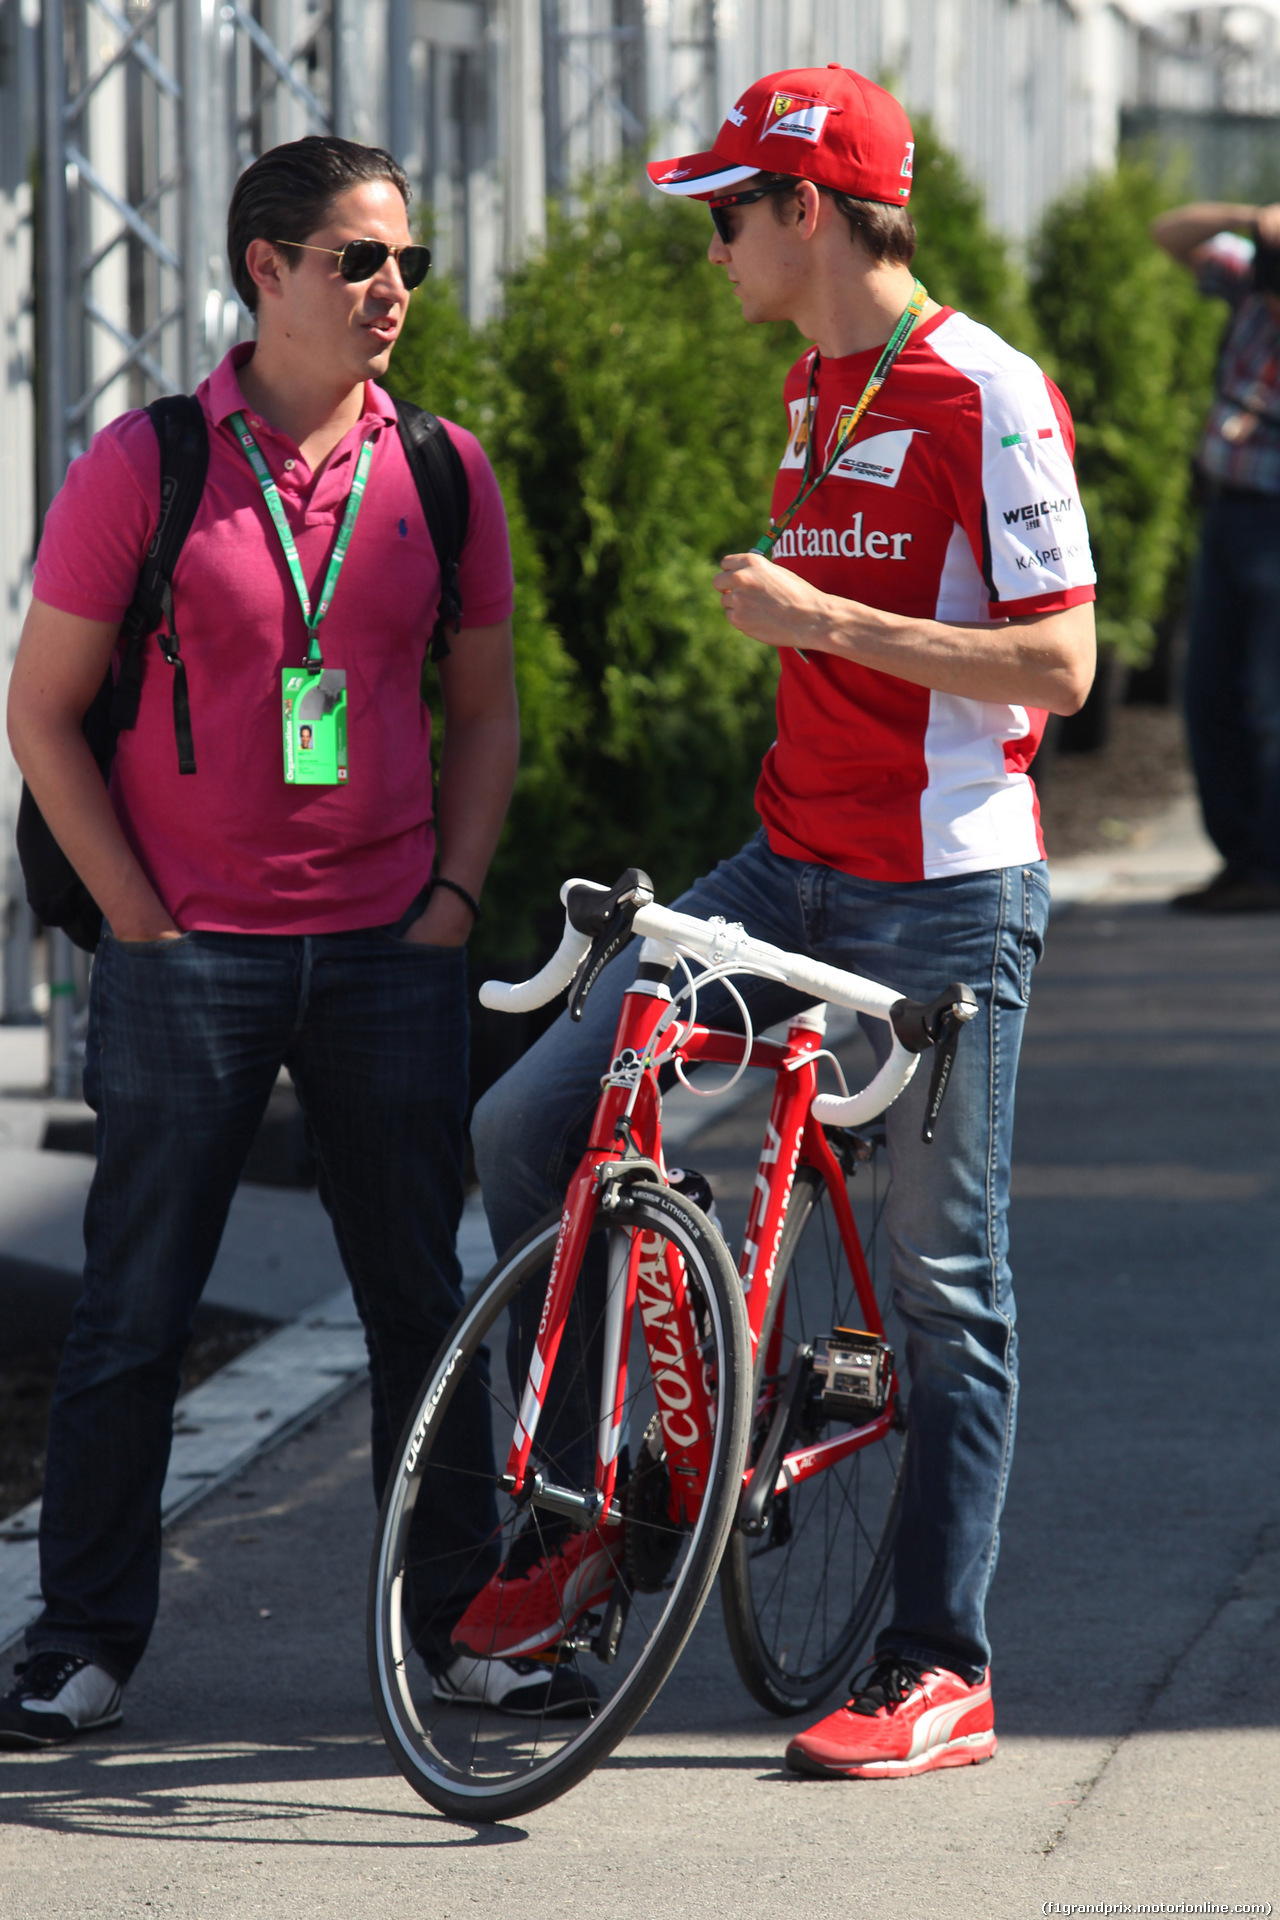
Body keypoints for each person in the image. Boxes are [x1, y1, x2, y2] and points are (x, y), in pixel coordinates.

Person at [468, 65, 1096, 1779]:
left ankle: (937, 1665)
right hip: (777, 869)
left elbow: (1063, 664)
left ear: (806, 208)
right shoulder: (813, 386)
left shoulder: (985, 391)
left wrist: (822, 614)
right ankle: (622, 1512)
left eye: (727, 212)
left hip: (944, 893)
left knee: (945, 1283)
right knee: (530, 1128)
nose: (712, 244)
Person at [0, 134, 578, 1749]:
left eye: (408, 263)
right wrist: (133, 915)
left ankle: (457, 1625)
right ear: (264, 269)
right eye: (359, 260)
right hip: (189, 957)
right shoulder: (149, 466)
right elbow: (40, 717)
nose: (394, 290)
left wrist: (454, 897)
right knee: (135, 1309)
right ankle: (82, 1642)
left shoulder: (445, 471)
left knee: (424, 1299)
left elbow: (483, 710)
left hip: (390, 950)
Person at [1152, 201, 1280, 913]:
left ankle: (1272, 864)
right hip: (1230, 511)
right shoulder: (1250, 285)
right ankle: (1243, 858)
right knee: (1211, 696)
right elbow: (1168, 233)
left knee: (1272, 706)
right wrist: (1253, 216)